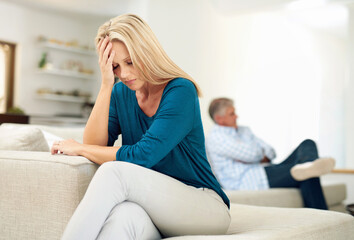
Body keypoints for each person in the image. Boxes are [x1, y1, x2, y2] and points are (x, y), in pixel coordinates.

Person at [51, 14, 230, 239]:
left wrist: (79, 148)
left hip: (204, 207)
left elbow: (143, 155)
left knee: (114, 172)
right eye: (115, 66)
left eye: (130, 62)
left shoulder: (181, 90)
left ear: (147, 52)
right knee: (124, 216)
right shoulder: (119, 92)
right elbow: (95, 145)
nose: (124, 74)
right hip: (155, 208)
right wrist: (106, 85)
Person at [206, 97, 335, 210]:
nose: (236, 116)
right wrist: (258, 154)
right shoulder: (216, 138)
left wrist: (254, 155)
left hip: (267, 169)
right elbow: (252, 154)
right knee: (307, 175)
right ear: (219, 119)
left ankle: (307, 166)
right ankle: (308, 168)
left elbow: (271, 152)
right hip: (251, 180)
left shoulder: (244, 130)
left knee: (308, 143)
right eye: (232, 114)